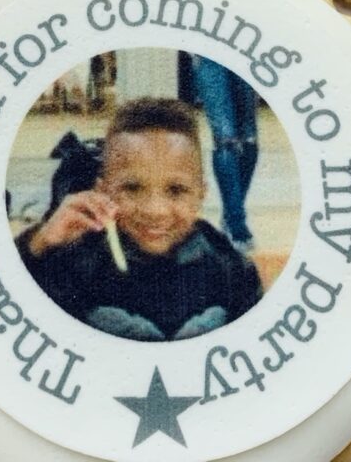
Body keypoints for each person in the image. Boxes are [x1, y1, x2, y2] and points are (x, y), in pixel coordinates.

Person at [17, 98, 262, 342]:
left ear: (201, 194)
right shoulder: (75, 265)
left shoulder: (232, 271)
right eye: (132, 188)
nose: (155, 211)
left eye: (176, 190)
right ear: (102, 191)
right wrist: (38, 244)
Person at [192, 56, 258, 252]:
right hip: (208, 54)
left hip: (245, 50)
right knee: (225, 138)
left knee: (249, 139)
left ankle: (230, 218)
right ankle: (237, 224)